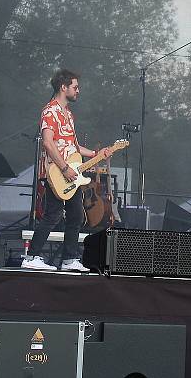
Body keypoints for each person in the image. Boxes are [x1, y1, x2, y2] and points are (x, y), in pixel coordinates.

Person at [22, 69, 112, 271]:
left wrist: (97, 154)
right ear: (64, 87)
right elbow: (48, 143)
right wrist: (64, 168)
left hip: (70, 173)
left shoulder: (69, 115)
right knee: (53, 215)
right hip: (56, 172)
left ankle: (69, 259)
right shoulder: (50, 111)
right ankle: (32, 257)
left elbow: (74, 146)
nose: (78, 91)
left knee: (76, 217)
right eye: (75, 87)